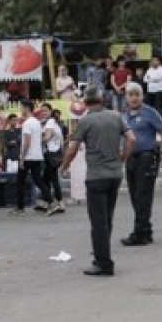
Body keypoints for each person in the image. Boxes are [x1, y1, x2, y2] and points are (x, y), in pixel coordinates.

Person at [60, 90, 131, 277]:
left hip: (96, 176)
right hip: (115, 174)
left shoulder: (85, 121)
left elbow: (73, 148)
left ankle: (103, 262)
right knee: (107, 217)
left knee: (98, 221)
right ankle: (102, 250)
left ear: (85, 102)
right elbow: (131, 138)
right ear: (102, 100)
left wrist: (64, 166)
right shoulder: (116, 117)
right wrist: (123, 157)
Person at [121, 83, 162, 245]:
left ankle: (140, 232)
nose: (134, 98)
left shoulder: (150, 113)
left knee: (143, 195)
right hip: (131, 158)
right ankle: (146, 229)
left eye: (137, 94)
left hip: (146, 157)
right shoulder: (124, 115)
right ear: (126, 97)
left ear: (142, 96)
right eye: (131, 95)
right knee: (135, 194)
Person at [14, 100, 50, 215]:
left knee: (20, 182)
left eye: (22, 107)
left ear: (26, 108)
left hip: (28, 157)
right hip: (36, 155)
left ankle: (20, 208)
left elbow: (27, 141)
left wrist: (22, 157)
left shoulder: (27, 123)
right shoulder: (36, 122)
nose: (21, 110)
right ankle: (51, 200)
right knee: (38, 180)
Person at [41, 108, 66, 215]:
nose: (43, 113)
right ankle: (48, 202)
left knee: (52, 178)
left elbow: (47, 137)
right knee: (47, 178)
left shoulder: (50, 122)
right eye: (42, 111)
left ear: (50, 112)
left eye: (45, 111)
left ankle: (58, 202)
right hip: (55, 153)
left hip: (51, 154)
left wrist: (37, 140)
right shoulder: (54, 123)